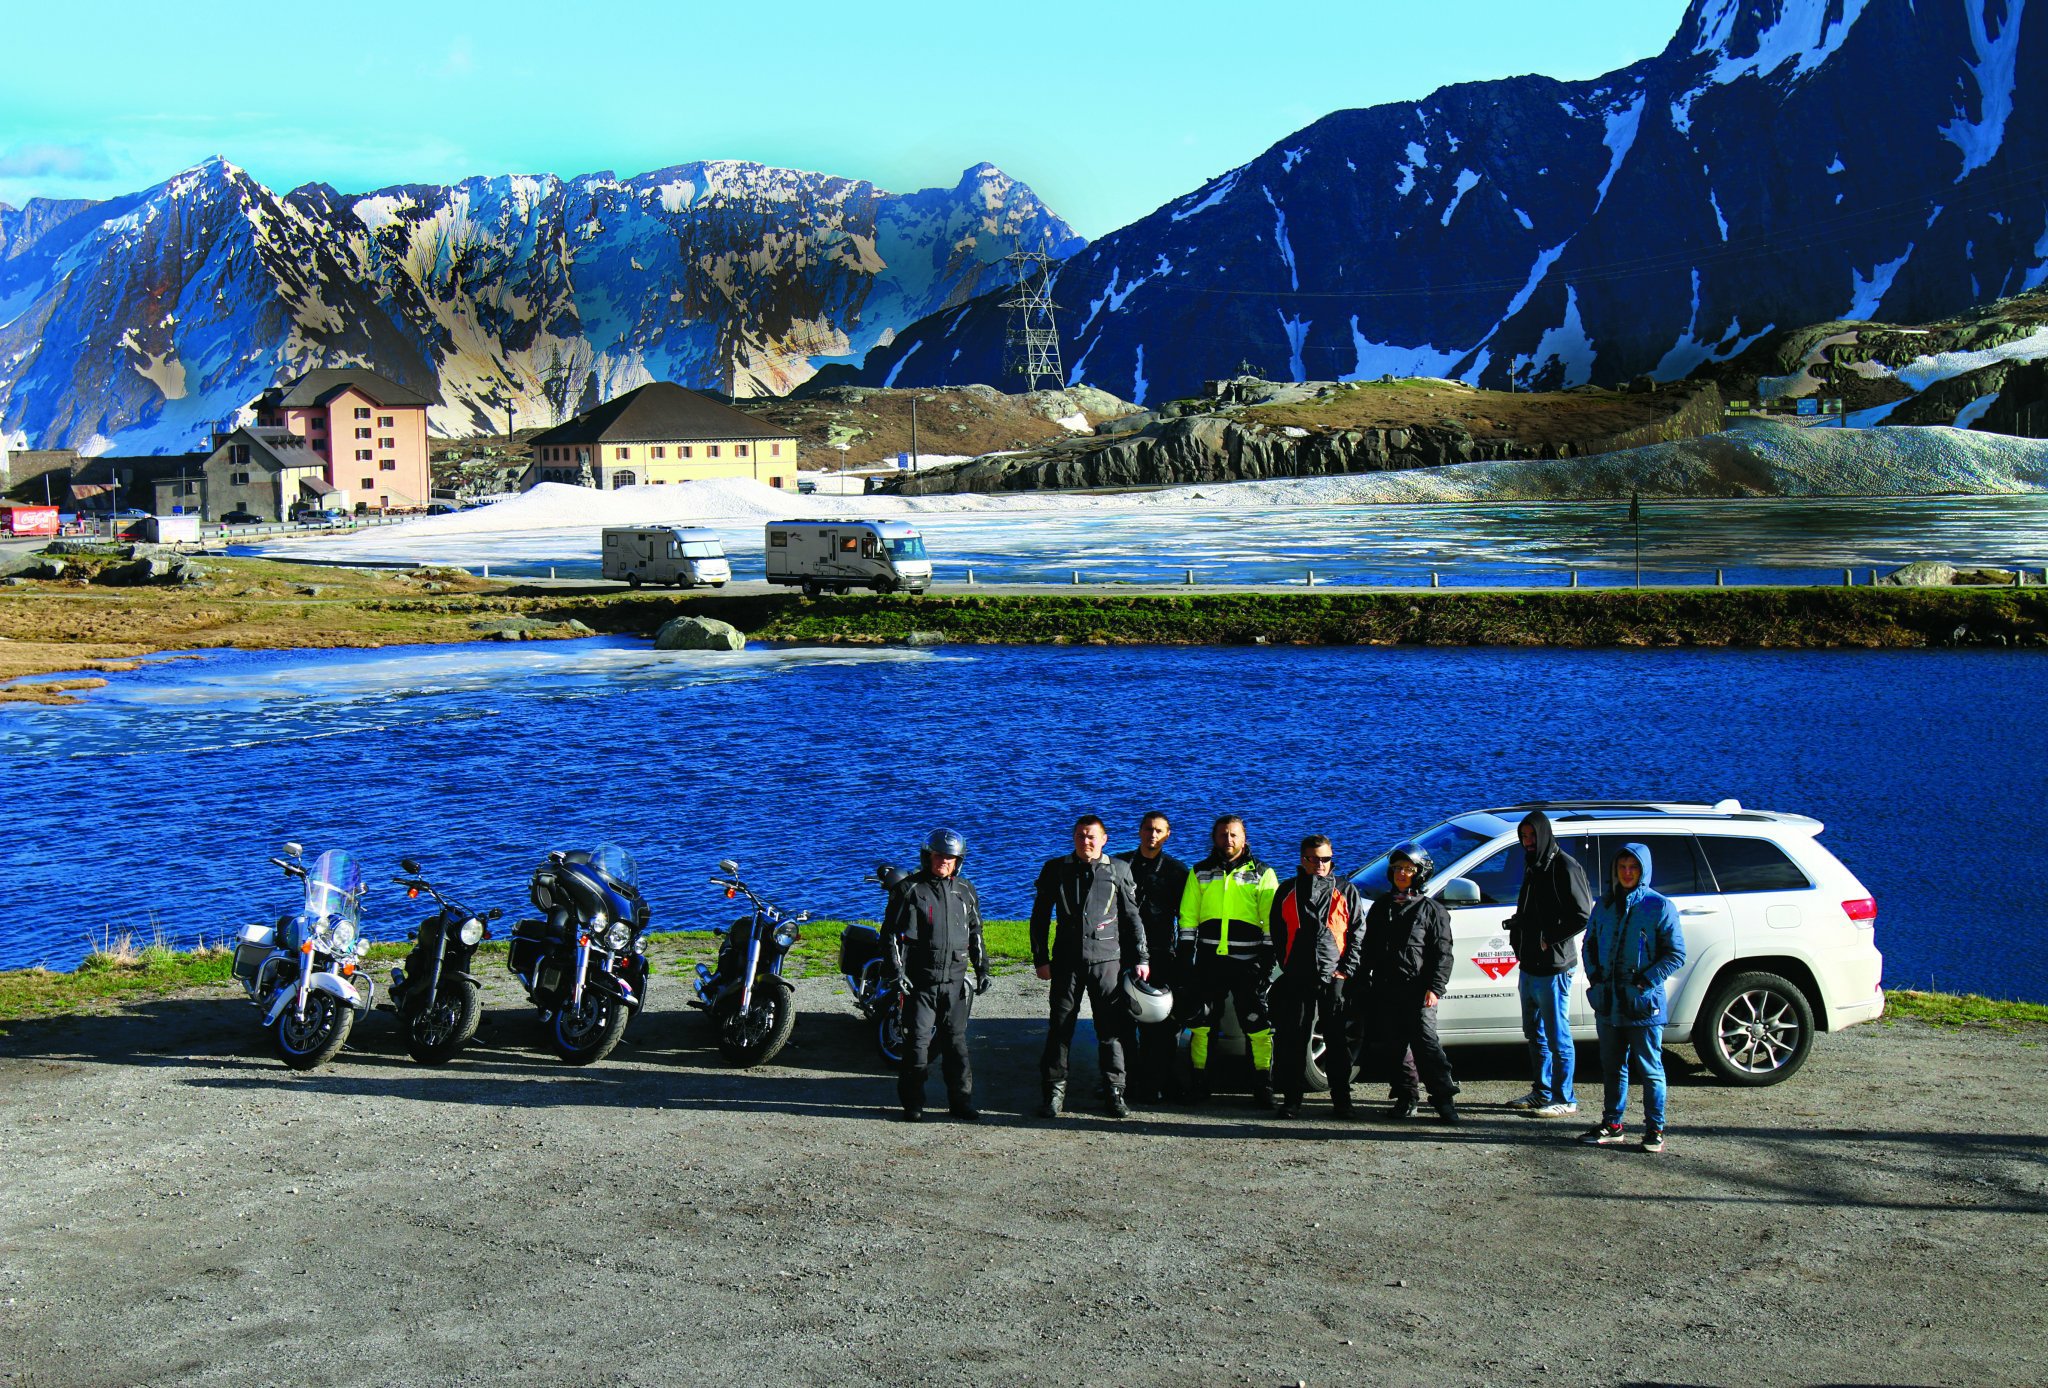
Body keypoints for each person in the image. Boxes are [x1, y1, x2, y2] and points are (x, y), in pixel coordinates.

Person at [1030, 815, 1149, 1118]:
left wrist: (1141, 958)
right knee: (1060, 1028)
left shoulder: (1118, 870)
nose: (1086, 841)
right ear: (1074, 838)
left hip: (1107, 961)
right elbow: (1040, 916)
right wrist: (1041, 958)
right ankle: (1054, 1092)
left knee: (1110, 1030)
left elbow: (1132, 918)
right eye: (1080, 836)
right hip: (1067, 962)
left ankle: (1114, 1091)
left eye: (1092, 836)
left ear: (1104, 839)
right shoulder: (1056, 869)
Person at [1578, 841, 1686, 1153]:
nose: (1627, 873)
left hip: (1643, 1006)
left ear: (1643, 870)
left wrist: (1644, 982)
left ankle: (1655, 1129)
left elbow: (1676, 954)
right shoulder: (1604, 904)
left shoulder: (1659, 906)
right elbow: (1589, 944)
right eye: (1622, 867)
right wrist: (1596, 978)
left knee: (1650, 1070)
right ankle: (1612, 1124)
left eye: (1634, 867)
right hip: (1608, 1003)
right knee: (1612, 1067)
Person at [1345, 841, 1460, 1122]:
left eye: (1408, 869)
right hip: (1386, 988)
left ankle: (1444, 1100)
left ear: (1419, 873)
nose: (1401, 874)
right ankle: (1407, 1097)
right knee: (1394, 1046)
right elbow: (1368, 950)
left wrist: (1435, 987)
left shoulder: (1432, 910)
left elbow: (1443, 953)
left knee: (1426, 1044)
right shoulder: (1381, 907)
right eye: (1397, 868)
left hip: (1418, 990)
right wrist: (1360, 980)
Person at [881, 827, 989, 1123]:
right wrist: (897, 972)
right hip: (920, 983)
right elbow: (890, 934)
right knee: (917, 1046)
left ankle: (961, 1102)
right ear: (928, 856)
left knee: (956, 1045)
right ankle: (913, 1104)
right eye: (939, 856)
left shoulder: (965, 890)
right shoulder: (909, 889)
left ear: (958, 861)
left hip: (955, 983)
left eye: (950, 858)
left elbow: (976, 932)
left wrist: (982, 969)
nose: (944, 862)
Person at [1177, 815, 1280, 1107]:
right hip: (1209, 962)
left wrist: (1266, 961)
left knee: (1257, 1023)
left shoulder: (1263, 873)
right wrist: (1185, 956)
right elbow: (1187, 918)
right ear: (1214, 838)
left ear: (1244, 838)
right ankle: (1200, 1083)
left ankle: (1262, 1086)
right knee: (1202, 1023)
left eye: (1234, 835)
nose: (1229, 840)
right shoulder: (1200, 872)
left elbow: (1272, 921)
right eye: (1223, 835)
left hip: (1248, 963)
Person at [1504, 810, 1593, 1118]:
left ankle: (1565, 1098)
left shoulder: (1564, 866)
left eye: (1532, 836)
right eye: (1523, 836)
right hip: (1529, 964)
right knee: (1535, 1033)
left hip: (1554, 967)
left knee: (1557, 1036)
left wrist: (1548, 938)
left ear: (1543, 834)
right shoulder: (1533, 864)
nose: (1528, 841)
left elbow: (1582, 914)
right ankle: (1542, 1091)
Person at [1269, 834, 1364, 1119]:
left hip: (1334, 976)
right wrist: (1287, 964)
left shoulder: (1346, 890)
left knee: (1337, 1040)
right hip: (1298, 976)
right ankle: (1292, 1100)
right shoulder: (1287, 890)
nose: (1320, 864)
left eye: (1325, 859)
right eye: (1314, 859)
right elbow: (1277, 931)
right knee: (1294, 1039)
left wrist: (1346, 970)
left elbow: (1357, 932)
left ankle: (1342, 1101)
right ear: (1303, 860)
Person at [1115, 811, 1190, 1102]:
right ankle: (1125, 1080)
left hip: (1160, 953)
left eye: (1159, 830)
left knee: (1161, 1023)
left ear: (1167, 835)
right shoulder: (1120, 864)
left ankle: (1160, 1079)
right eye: (1148, 829)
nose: (1152, 835)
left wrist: (1183, 957)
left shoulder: (1177, 871)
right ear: (1139, 831)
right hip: (1122, 952)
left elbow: (1186, 918)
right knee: (1122, 1021)